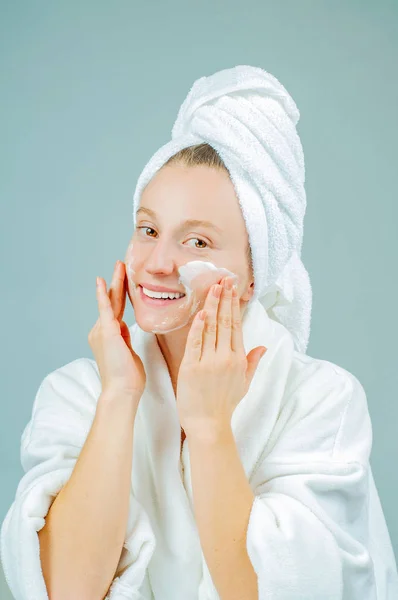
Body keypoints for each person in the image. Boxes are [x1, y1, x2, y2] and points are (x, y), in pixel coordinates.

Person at [1, 66, 398, 600]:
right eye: (148, 230)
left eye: (198, 243)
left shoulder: (321, 402)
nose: (158, 263)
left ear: (256, 270)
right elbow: (63, 591)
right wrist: (119, 397)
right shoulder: (78, 394)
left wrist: (210, 429)